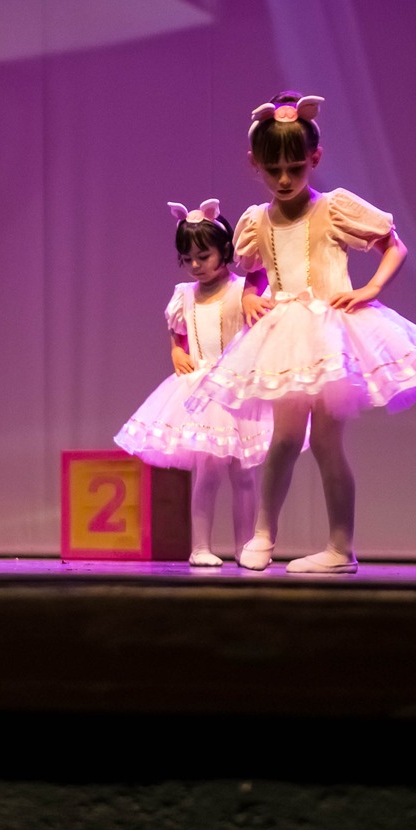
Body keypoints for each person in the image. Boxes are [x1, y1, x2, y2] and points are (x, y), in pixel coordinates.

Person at [200, 95, 416, 574]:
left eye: (295, 168)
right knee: (284, 438)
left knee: (326, 443)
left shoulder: (332, 208)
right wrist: (249, 298)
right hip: (285, 336)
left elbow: (394, 245)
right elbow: (254, 273)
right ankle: (263, 533)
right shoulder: (256, 221)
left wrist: (370, 289)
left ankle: (341, 548)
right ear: (255, 164)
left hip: (328, 334)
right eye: (274, 170)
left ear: (315, 158)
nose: (285, 179)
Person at [115, 200, 270, 567]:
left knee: (244, 475)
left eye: (204, 256)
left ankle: (245, 548)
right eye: (188, 259)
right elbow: (178, 333)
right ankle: (199, 547)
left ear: (225, 251)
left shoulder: (242, 290)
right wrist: (176, 351)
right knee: (207, 473)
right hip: (201, 392)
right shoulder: (184, 294)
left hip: (236, 390)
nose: (196, 265)